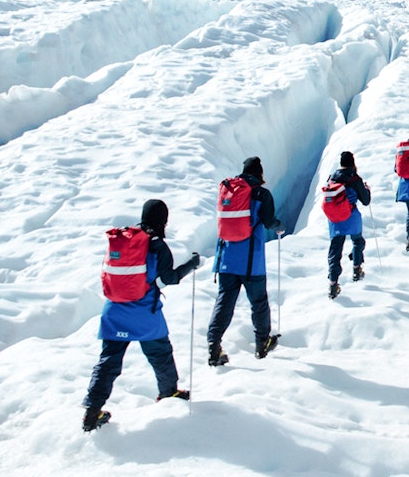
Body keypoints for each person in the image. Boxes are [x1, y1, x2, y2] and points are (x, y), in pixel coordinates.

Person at [82, 199, 201, 432]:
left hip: (114, 310)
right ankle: (169, 392)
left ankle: (92, 410)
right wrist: (192, 264)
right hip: (143, 312)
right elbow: (170, 279)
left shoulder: (125, 239)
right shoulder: (157, 246)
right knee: (161, 353)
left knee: (108, 361)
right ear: (163, 220)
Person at [207, 156, 284, 366]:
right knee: (258, 302)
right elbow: (268, 221)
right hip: (251, 261)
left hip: (226, 258)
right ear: (260, 173)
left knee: (224, 302)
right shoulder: (260, 194)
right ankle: (262, 344)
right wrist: (279, 225)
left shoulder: (229, 190)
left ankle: (213, 344)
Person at [325, 150, 371, 299]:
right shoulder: (354, 178)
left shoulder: (332, 178)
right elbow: (366, 201)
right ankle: (357, 270)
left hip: (335, 220)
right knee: (358, 241)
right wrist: (367, 190)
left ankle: (333, 283)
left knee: (335, 250)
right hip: (351, 216)